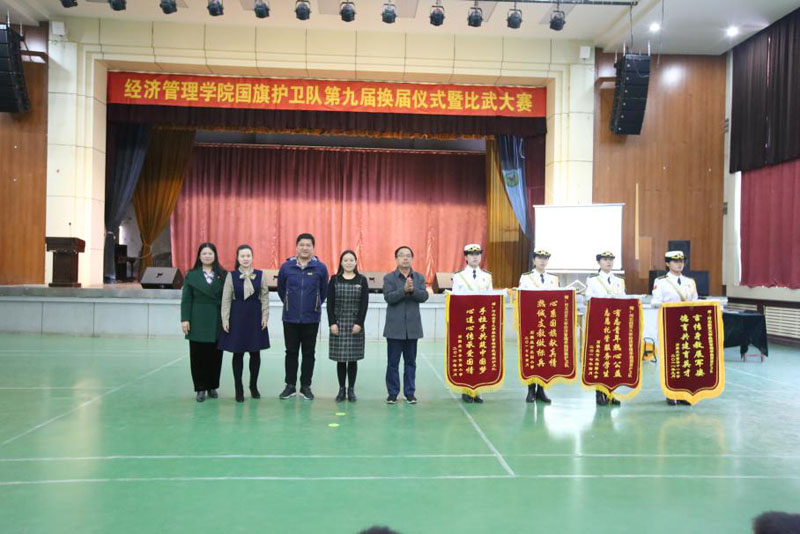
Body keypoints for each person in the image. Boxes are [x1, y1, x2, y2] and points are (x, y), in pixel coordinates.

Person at [277, 233, 329, 401]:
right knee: (291, 352)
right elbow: (281, 290)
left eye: (308, 245)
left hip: (311, 318)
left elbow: (324, 291)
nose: (305, 248)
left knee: (309, 353)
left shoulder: (320, 268)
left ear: (313, 248)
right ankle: (290, 385)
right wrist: (289, 304)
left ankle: (306, 386)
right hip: (290, 318)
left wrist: (314, 305)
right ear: (296, 247)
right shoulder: (286, 267)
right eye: (302, 245)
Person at [218, 244, 270, 403]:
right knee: (238, 353)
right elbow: (226, 299)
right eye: (242, 256)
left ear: (252, 257)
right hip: (237, 316)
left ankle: (253, 386)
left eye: (248, 256)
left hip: (255, 316)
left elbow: (265, 298)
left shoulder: (261, 275)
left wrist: (265, 316)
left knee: (255, 353)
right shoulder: (231, 276)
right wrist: (225, 319)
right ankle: (238, 388)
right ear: (238, 258)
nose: (245, 259)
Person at [180, 242, 226, 403]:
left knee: (215, 355)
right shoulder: (191, 275)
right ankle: (200, 387)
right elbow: (186, 299)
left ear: (215, 256)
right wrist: (185, 319)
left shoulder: (223, 274)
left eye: (210, 253)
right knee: (198, 355)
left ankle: (212, 386)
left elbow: (228, 298)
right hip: (197, 317)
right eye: (204, 253)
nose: (207, 256)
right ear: (199, 256)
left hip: (217, 318)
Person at [383, 245, 429, 404]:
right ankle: (392, 393)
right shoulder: (389, 278)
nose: (405, 258)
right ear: (396, 259)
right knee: (393, 363)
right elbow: (389, 298)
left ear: (412, 259)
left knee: (410, 363)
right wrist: (403, 290)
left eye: (408, 255)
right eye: (401, 255)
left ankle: (409, 393)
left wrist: (412, 290)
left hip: (412, 328)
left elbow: (424, 296)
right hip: (394, 328)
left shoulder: (419, 277)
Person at [652, 250, 698, 406]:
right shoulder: (661, 281)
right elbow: (656, 301)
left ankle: (684, 392)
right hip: (669, 322)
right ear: (667, 263)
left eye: (682, 261)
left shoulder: (690, 282)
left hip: (686, 324)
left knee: (686, 358)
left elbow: (695, 301)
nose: (679, 264)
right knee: (670, 358)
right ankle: (670, 392)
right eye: (675, 261)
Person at [452, 243, 492, 404]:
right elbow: (455, 300)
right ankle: (466, 389)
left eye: (477, 254)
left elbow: (490, 299)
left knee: (480, 355)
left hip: (481, 321)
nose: (475, 257)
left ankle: (478, 390)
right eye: (471, 254)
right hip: (465, 321)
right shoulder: (459, 276)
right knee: (467, 354)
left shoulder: (487, 276)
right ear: (466, 257)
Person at [327, 250, 369, 402]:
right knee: (340, 359)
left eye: (351, 260)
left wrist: (359, 323)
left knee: (352, 359)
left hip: (355, 324)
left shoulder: (362, 280)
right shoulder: (334, 279)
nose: (349, 263)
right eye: (346, 260)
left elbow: (364, 304)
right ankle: (341, 389)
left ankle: (351, 389)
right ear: (341, 262)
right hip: (338, 324)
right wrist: (332, 323)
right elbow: (330, 303)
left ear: (356, 262)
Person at [584, 251, 626, 406]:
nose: (608, 262)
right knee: (601, 357)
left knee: (614, 357)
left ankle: (611, 392)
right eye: (605, 260)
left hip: (615, 324)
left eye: (611, 260)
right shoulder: (593, 280)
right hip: (600, 322)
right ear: (599, 262)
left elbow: (624, 299)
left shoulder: (619, 281)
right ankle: (599, 392)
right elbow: (588, 298)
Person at [518, 249, 557, 404]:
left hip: (547, 324)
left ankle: (541, 390)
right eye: (540, 258)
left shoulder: (553, 279)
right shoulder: (526, 277)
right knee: (531, 355)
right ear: (534, 260)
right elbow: (521, 298)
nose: (543, 261)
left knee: (545, 356)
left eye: (545, 258)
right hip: (532, 322)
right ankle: (530, 390)